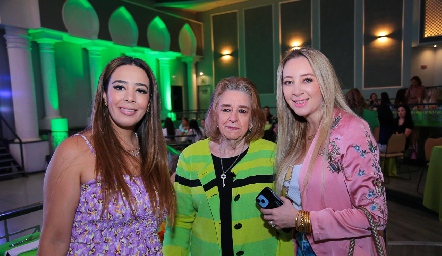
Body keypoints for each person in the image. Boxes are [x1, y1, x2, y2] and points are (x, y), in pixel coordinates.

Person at [38, 56, 176, 255]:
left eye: (140, 90)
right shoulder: (74, 151)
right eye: (120, 87)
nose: (130, 97)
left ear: (149, 102)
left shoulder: (151, 152)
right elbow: (54, 240)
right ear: (104, 95)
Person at [260, 48, 387, 255]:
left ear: (324, 82)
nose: (296, 91)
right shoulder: (297, 132)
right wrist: (287, 211)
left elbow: (375, 214)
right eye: (288, 82)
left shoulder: (350, 130)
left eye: (307, 80)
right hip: (302, 245)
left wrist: (301, 219)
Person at [163, 77, 294, 256]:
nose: (233, 118)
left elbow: (286, 227)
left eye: (242, 111)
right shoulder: (191, 157)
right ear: (214, 114)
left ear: (253, 118)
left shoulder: (273, 155)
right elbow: (179, 224)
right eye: (226, 109)